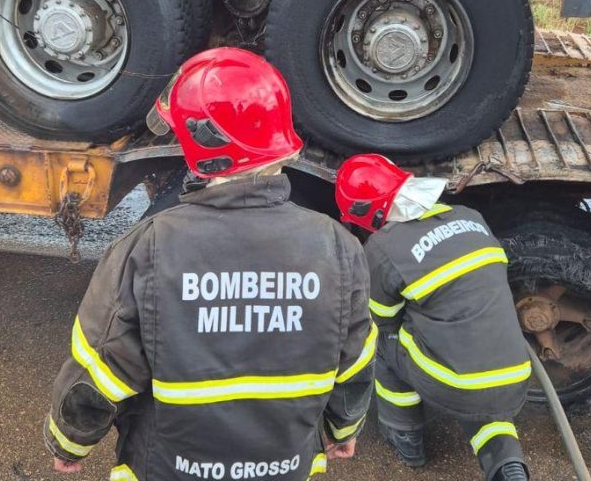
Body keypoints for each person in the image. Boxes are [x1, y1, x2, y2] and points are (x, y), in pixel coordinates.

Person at [43, 48, 375, 480]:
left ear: (203, 148)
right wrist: (343, 429)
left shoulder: (147, 248)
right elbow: (354, 364)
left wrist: (70, 443)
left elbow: (100, 369)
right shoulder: (338, 247)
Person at [335, 154, 531, 481]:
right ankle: (507, 465)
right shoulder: (472, 216)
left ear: (366, 212)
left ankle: (405, 437)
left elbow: (378, 320)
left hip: (456, 384)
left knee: (381, 343)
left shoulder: (383, 247)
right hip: (516, 373)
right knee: (483, 391)